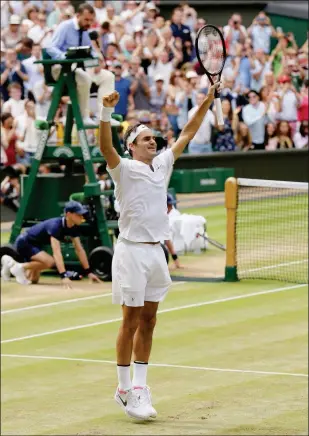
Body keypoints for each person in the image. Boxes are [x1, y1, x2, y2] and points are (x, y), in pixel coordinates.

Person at [99, 80, 221, 420]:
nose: (153, 141)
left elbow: (188, 133)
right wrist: (106, 111)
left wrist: (207, 100)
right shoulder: (122, 168)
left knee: (150, 321)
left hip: (156, 253)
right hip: (131, 252)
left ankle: (140, 387)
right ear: (132, 146)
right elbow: (105, 146)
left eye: (154, 138)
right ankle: (123, 389)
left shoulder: (162, 164)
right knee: (130, 320)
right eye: (146, 138)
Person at [1, 200, 102, 286]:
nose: (81, 217)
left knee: (33, 280)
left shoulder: (73, 228)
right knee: (50, 262)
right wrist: (63, 276)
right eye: (78, 214)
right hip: (25, 242)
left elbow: (79, 250)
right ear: (68, 214)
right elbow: (56, 252)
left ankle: (10, 263)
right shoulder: (55, 226)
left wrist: (89, 272)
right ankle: (19, 267)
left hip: (36, 245)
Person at [45, 2, 114, 126]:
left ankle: (104, 116)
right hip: (61, 69)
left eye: (91, 20)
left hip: (80, 69)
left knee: (108, 76)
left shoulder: (86, 30)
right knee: (85, 79)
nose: (89, 23)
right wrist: (64, 57)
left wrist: (96, 60)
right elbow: (50, 47)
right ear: (78, 16)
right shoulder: (65, 26)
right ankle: (83, 116)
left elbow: (90, 50)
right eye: (86, 19)